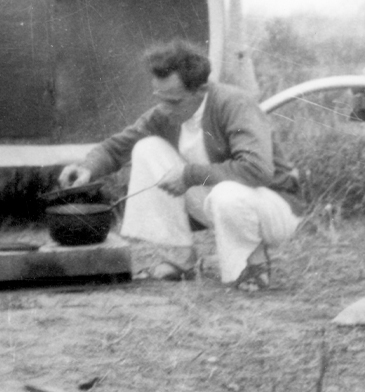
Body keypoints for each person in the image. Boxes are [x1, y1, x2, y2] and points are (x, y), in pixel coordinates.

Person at [58, 40, 303, 290]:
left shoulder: (234, 104)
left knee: (226, 193)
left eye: (174, 101)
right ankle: (181, 258)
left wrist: (189, 175)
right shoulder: (166, 113)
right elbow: (117, 147)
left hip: (273, 207)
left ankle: (253, 265)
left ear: (202, 89)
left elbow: (256, 170)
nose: (164, 109)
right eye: (159, 98)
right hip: (221, 202)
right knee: (146, 148)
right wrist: (88, 167)